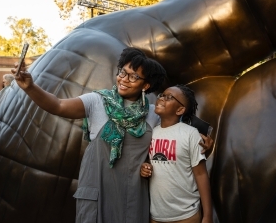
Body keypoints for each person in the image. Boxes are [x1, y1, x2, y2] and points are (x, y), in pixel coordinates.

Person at [12, 47, 213, 223]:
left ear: (146, 85)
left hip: (133, 197)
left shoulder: (153, 113)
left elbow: (182, 122)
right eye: (122, 72)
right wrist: (30, 87)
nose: (124, 79)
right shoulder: (97, 101)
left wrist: (205, 142)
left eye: (133, 76)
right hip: (98, 193)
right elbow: (58, 105)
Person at [141, 85, 213, 223]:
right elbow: (153, 162)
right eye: (162, 95)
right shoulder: (151, 132)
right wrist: (145, 167)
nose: (161, 98)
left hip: (186, 215)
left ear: (180, 109)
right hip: (156, 216)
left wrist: (207, 215)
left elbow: (201, 174)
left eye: (169, 97)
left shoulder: (190, 134)